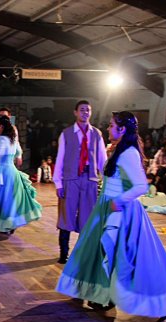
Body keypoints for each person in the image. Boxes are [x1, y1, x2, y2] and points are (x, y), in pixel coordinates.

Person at [55, 111, 166, 322]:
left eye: (111, 125)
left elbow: (140, 186)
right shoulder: (119, 149)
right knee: (99, 251)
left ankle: (158, 301)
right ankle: (102, 296)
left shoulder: (128, 153)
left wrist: (118, 201)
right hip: (107, 207)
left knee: (130, 257)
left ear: (122, 129)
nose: (108, 128)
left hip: (121, 212)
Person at [53, 100, 107, 264]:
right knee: (66, 216)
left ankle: (83, 254)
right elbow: (60, 159)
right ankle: (64, 253)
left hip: (90, 179)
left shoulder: (96, 134)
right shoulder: (66, 133)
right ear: (75, 112)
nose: (85, 113)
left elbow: (102, 160)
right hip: (71, 179)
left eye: (88, 110)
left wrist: (107, 181)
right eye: (82, 110)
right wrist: (58, 183)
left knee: (87, 218)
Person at [0, 115, 42, 234]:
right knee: (12, 199)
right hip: (13, 171)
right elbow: (18, 151)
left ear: (1, 126)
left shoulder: (2, 138)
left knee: (2, 199)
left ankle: (5, 225)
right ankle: (11, 224)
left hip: (3, 172)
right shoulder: (13, 138)